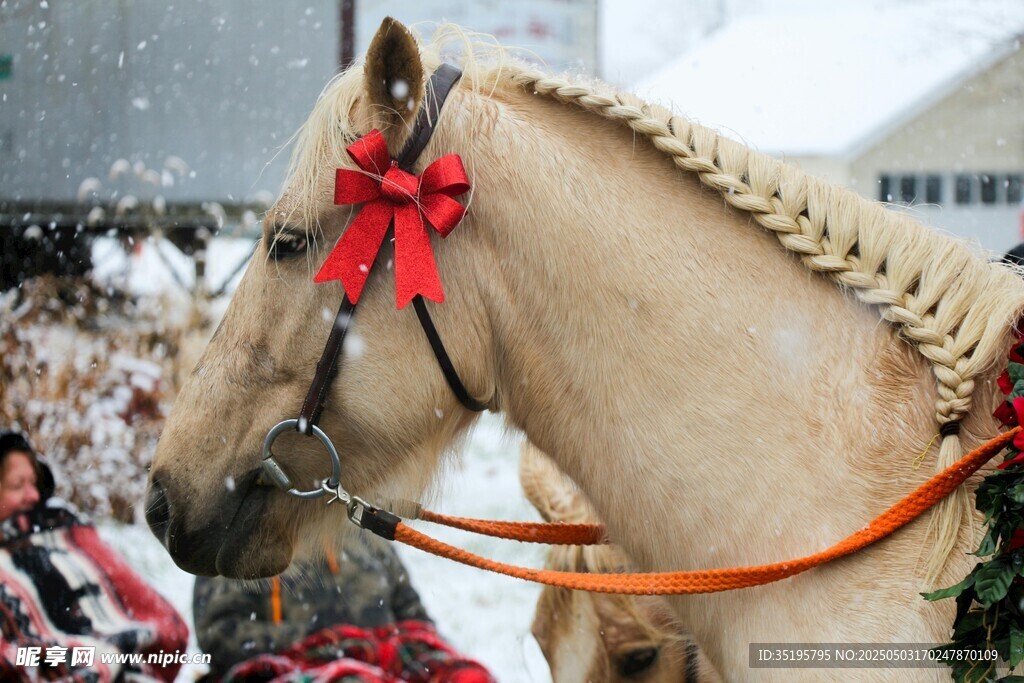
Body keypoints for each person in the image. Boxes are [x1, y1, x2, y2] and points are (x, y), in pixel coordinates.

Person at [0, 429, 189, 683]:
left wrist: (109, 656)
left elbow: (156, 618)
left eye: (34, 483)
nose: (32, 495)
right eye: (17, 485)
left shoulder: (72, 535)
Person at [193, 531, 494, 682]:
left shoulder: (360, 526)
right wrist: (324, 643)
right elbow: (220, 637)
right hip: (292, 668)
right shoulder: (240, 538)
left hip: (388, 660)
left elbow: (413, 614)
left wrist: (373, 647)